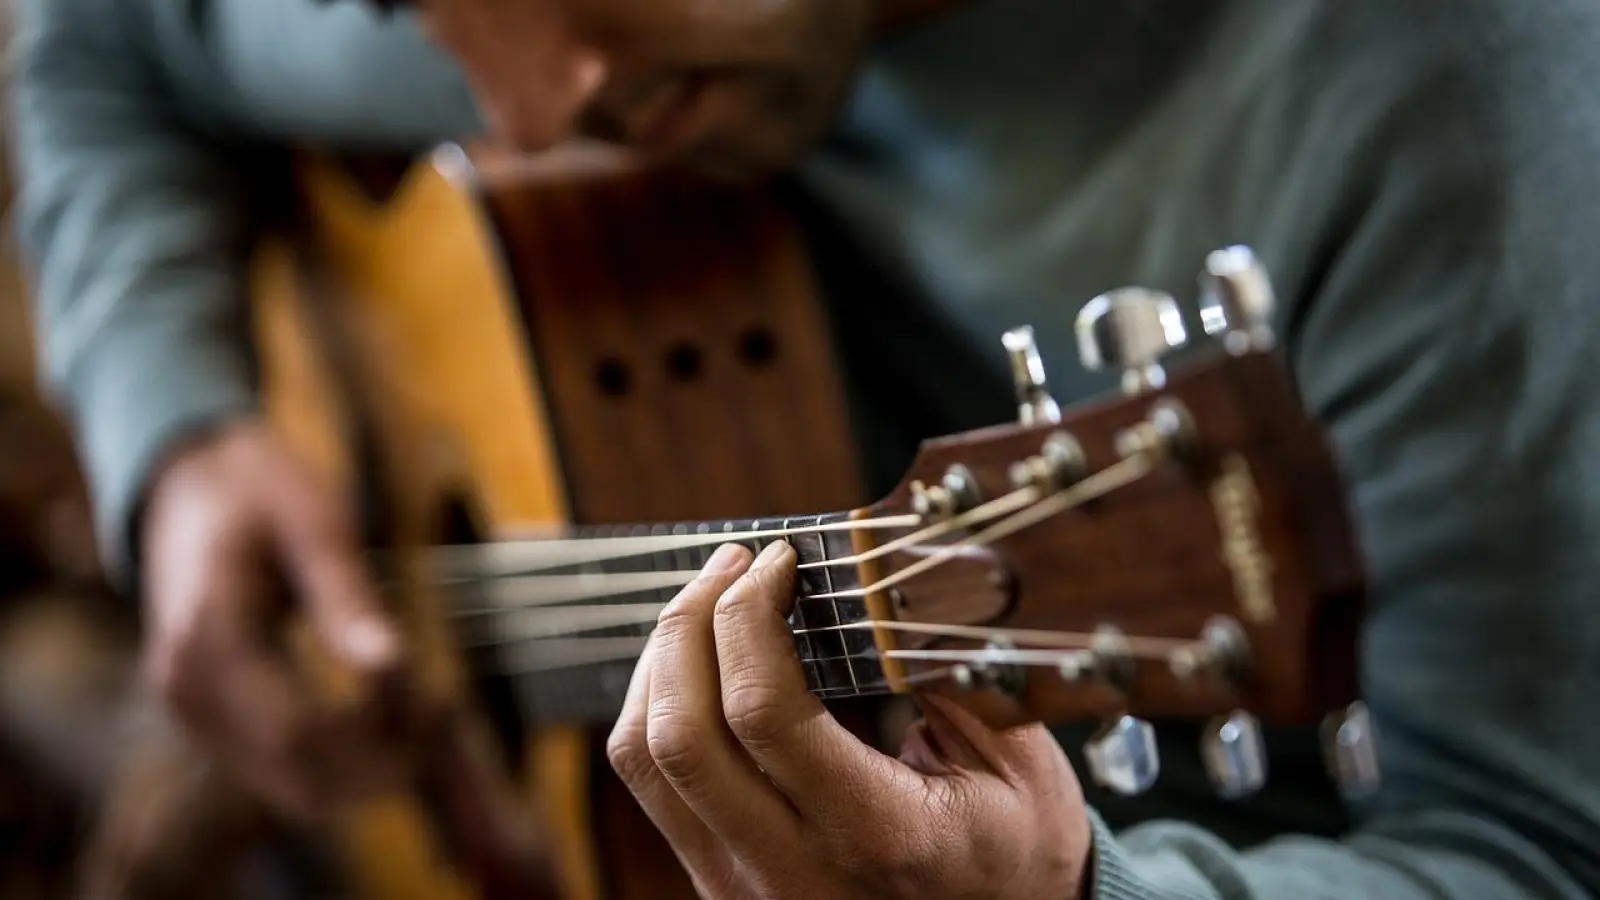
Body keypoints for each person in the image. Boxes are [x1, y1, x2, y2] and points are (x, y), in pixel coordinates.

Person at [10, 0, 1600, 898]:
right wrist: (180, 439)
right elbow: (99, 45)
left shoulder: (1450, 96)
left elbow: (1540, 850)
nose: (528, 108)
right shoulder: (535, 32)